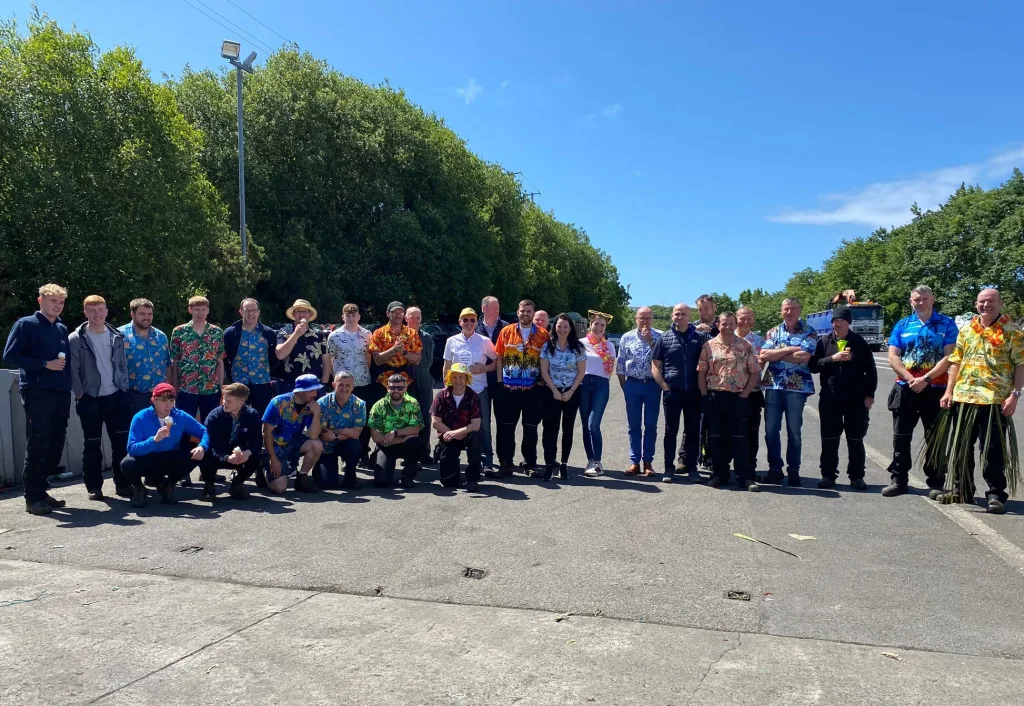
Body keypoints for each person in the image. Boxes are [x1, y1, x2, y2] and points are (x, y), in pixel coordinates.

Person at [937, 288, 1024, 514]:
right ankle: (962, 489)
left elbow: (1020, 365)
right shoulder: (967, 329)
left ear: (1000, 303)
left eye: (991, 301)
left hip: (995, 400)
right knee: (961, 447)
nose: (986, 305)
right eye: (982, 301)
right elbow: (955, 361)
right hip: (964, 397)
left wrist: (1015, 395)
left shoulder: (1012, 332)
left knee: (993, 450)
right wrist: (948, 392)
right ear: (976, 303)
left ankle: (996, 494)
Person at [881, 285, 959, 498]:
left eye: (925, 298)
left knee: (935, 439)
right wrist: (910, 378)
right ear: (911, 301)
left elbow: (950, 356)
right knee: (901, 437)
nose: (921, 302)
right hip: (905, 389)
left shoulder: (947, 324)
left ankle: (936, 482)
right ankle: (899, 479)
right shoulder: (903, 325)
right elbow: (893, 356)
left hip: (935, 389)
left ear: (933, 299)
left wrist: (926, 379)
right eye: (917, 299)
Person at [3, 283, 73, 515]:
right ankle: (32, 498)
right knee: (39, 441)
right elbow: (10, 356)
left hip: (60, 392)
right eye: (53, 301)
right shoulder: (26, 325)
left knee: (56, 442)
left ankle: (42, 491)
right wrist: (44, 364)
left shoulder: (61, 328)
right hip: (37, 391)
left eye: (61, 302)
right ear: (40, 301)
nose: (58, 306)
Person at [68, 294, 132, 500]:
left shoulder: (117, 336)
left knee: (121, 444)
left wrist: (124, 389)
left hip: (116, 396)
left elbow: (122, 365)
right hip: (91, 398)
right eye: (92, 310)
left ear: (106, 311)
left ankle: (122, 484)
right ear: (85, 312)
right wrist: (80, 395)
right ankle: (94, 487)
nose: (97, 314)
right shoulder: (76, 338)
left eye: (100, 309)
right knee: (92, 444)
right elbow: (73, 370)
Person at [809, 306, 877, 490]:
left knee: (855, 439)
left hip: (855, 399)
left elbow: (870, 371)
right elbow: (814, 366)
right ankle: (828, 475)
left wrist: (870, 395)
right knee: (829, 439)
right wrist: (833, 358)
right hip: (830, 398)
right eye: (835, 321)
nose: (838, 324)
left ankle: (857, 477)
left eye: (842, 321)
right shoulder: (824, 342)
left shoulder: (859, 342)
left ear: (849, 323)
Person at [697, 312, 761, 491]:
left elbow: (755, 371)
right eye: (724, 323)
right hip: (716, 397)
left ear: (735, 324)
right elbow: (701, 372)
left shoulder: (745, 345)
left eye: (731, 324)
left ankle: (744, 477)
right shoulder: (708, 346)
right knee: (716, 438)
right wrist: (704, 396)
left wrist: (745, 395)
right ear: (718, 324)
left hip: (738, 398)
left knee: (740, 438)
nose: (728, 327)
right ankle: (719, 474)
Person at [759, 297, 818, 486]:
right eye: (786, 309)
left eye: (793, 309)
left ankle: (793, 470)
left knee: (794, 431)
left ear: (799, 311)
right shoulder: (773, 331)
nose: (790, 312)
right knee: (770, 431)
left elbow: (805, 357)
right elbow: (764, 354)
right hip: (773, 386)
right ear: (781, 311)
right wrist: (792, 349)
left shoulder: (809, 331)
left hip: (796, 387)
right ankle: (774, 469)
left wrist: (779, 352)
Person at [121, 383, 209, 508]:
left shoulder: (179, 416)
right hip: (147, 457)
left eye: (171, 400)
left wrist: (202, 446)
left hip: (169, 457)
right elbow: (132, 448)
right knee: (127, 463)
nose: (168, 405)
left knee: (194, 452)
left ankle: (169, 485)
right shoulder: (140, 417)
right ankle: (139, 489)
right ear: (153, 400)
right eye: (163, 400)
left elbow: (204, 431)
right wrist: (154, 440)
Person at [490, 299, 550, 478]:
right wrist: (500, 383)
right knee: (505, 428)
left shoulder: (543, 335)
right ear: (518, 312)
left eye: (529, 311)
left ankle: (530, 464)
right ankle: (505, 463)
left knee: (530, 429)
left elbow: (546, 360)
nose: (525, 314)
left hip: (533, 389)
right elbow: (499, 357)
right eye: (522, 311)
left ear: (533, 313)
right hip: (509, 388)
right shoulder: (506, 331)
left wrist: (542, 382)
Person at [652, 303, 708, 482]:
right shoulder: (664, 338)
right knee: (670, 431)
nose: (680, 317)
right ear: (672, 316)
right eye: (677, 314)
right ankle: (669, 468)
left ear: (690, 316)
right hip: (672, 392)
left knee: (693, 432)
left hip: (693, 392)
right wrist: (664, 386)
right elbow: (655, 365)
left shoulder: (700, 338)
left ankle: (692, 468)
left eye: (683, 314)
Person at [445, 307, 498, 467]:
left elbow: (496, 361)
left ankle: (487, 461)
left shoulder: (484, 341)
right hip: (457, 391)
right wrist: (446, 387)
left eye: (472, 320)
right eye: (465, 320)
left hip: (479, 390)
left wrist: (484, 368)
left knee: (484, 427)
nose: (469, 323)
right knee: (454, 425)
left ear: (476, 322)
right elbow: (447, 365)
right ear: (460, 322)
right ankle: (452, 460)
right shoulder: (451, 341)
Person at [540, 314, 587, 481]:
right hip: (552, 391)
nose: (562, 329)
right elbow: (544, 371)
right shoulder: (547, 346)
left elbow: (581, 372)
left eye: (566, 327)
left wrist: (571, 391)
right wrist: (554, 390)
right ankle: (548, 465)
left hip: (571, 392)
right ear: (555, 328)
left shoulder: (578, 347)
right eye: (559, 326)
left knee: (567, 429)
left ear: (571, 329)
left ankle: (564, 464)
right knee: (550, 430)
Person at [616, 307, 662, 476]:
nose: (645, 321)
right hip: (633, 384)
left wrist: (650, 340)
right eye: (641, 318)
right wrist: (625, 386)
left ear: (653, 319)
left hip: (652, 385)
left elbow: (662, 358)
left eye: (648, 318)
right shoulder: (626, 337)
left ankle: (648, 462)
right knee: (633, 425)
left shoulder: (660, 336)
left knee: (650, 425)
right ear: (636, 319)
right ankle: (634, 462)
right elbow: (620, 363)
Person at [327, 303, 375, 464]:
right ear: (343, 317)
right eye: (348, 315)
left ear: (359, 317)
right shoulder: (334, 336)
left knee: (362, 419)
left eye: (354, 315)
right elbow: (330, 359)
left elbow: (368, 358)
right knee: (342, 419)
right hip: (342, 386)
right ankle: (342, 454)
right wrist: (333, 380)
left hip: (362, 382)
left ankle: (363, 452)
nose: (351, 318)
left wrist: (362, 373)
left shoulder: (367, 335)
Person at [199, 383, 263, 501]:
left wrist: (247, 452)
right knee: (204, 452)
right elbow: (212, 442)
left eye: (229, 401)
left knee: (256, 456)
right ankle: (209, 485)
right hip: (219, 452)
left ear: (240, 403)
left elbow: (257, 440)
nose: (224, 403)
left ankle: (237, 484)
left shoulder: (252, 415)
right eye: (224, 399)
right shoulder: (215, 416)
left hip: (239, 452)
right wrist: (226, 457)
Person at [262, 374, 323, 494]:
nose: (314, 394)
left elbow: (313, 436)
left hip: (292, 442)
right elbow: (266, 433)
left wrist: (316, 414)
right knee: (280, 488)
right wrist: (273, 459)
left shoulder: (311, 406)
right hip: (275, 446)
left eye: (315, 390)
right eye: (310, 390)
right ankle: (263, 467)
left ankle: (302, 478)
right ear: (300, 391)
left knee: (316, 445)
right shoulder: (278, 402)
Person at [170, 295, 225, 423]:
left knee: (211, 423)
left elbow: (220, 360)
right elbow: (175, 360)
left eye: (203, 309)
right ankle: (184, 444)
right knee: (184, 424)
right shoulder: (179, 331)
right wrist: (175, 385)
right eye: (197, 309)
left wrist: (221, 386)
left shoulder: (216, 332)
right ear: (190, 310)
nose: (200, 313)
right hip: (186, 388)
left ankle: (209, 444)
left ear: (208, 310)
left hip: (210, 388)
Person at [431, 363, 483, 491]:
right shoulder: (441, 396)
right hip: (448, 435)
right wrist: (452, 433)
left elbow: (476, 425)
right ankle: (451, 473)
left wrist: (458, 433)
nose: (458, 381)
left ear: (467, 379)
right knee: (448, 482)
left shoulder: (473, 396)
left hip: (467, 434)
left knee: (476, 439)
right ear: (450, 378)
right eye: (454, 377)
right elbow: (435, 422)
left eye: (461, 377)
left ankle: (472, 478)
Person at [367, 374, 424, 488]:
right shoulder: (378, 406)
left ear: (405, 388)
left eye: (400, 387)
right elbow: (376, 438)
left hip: (404, 444)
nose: (396, 391)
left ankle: (408, 475)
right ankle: (376, 459)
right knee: (381, 482)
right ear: (387, 388)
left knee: (415, 443)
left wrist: (394, 433)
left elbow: (416, 428)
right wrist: (403, 438)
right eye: (392, 388)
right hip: (386, 446)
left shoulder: (413, 403)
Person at [223, 298, 278, 415]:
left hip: (262, 382)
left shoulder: (269, 333)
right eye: (247, 310)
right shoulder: (230, 333)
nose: (251, 314)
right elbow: (224, 357)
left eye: (254, 310)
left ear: (258, 312)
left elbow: (275, 357)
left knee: (262, 416)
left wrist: (269, 371)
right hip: (238, 382)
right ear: (241, 312)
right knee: (237, 415)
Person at [315, 371, 366, 489]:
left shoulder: (360, 404)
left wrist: (335, 435)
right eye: (340, 385)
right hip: (325, 446)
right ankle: (319, 469)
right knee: (327, 484)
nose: (344, 389)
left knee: (355, 446)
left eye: (348, 385)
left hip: (345, 443)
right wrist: (346, 431)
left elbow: (356, 433)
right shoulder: (322, 403)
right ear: (333, 385)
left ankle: (350, 475)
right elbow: (322, 432)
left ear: (353, 387)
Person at [580, 311, 616, 477]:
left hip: (601, 385)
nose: (599, 328)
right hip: (584, 383)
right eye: (597, 324)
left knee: (593, 424)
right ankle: (590, 461)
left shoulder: (608, 346)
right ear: (590, 325)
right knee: (585, 426)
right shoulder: (580, 343)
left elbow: (610, 369)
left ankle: (598, 462)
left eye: (603, 325)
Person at [119, 298, 171, 412]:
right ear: (132, 314)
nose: (146, 317)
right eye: (142, 314)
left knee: (161, 429)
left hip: (159, 397)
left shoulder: (161, 336)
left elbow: (167, 364)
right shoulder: (120, 336)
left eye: (149, 314)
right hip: (132, 397)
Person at [475, 296, 508, 469]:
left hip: (500, 382)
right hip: (480, 383)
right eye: (493, 307)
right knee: (483, 424)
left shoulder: (507, 327)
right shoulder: (474, 327)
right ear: (483, 308)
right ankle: (485, 460)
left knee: (503, 422)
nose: (497, 310)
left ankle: (504, 459)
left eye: (498, 307)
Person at [735, 307, 766, 475]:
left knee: (751, 433)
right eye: (742, 318)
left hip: (752, 392)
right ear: (736, 318)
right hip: (730, 393)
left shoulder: (759, 341)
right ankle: (727, 469)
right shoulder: (726, 337)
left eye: (749, 318)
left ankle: (750, 469)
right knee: (730, 432)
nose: (745, 321)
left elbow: (759, 366)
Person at [275, 299, 331, 389]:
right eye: (298, 311)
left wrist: (324, 384)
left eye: (305, 311)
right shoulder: (284, 332)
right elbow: (280, 355)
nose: (301, 314)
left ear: (310, 314)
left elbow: (326, 361)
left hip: (315, 385)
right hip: (292, 385)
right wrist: (296, 334)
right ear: (293, 314)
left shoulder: (319, 334)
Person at [369, 301, 422, 391]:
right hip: (384, 381)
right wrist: (393, 350)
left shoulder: (412, 333)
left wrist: (403, 352)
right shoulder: (378, 333)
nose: (398, 315)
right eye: (395, 312)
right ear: (388, 314)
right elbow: (377, 360)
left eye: (401, 312)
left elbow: (417, 360)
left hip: (406, 380)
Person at [404, 306, 434, 462]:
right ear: (405, 318)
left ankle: (424, 451)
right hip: (406, 380)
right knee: (408, 417)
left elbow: (427, 361)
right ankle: (409, 453)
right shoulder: (401, 336)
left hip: (423, 379)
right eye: (411, 316)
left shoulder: (427, 337)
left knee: (425, 416)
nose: (414, 320)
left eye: (417, 317)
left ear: (421, 319)